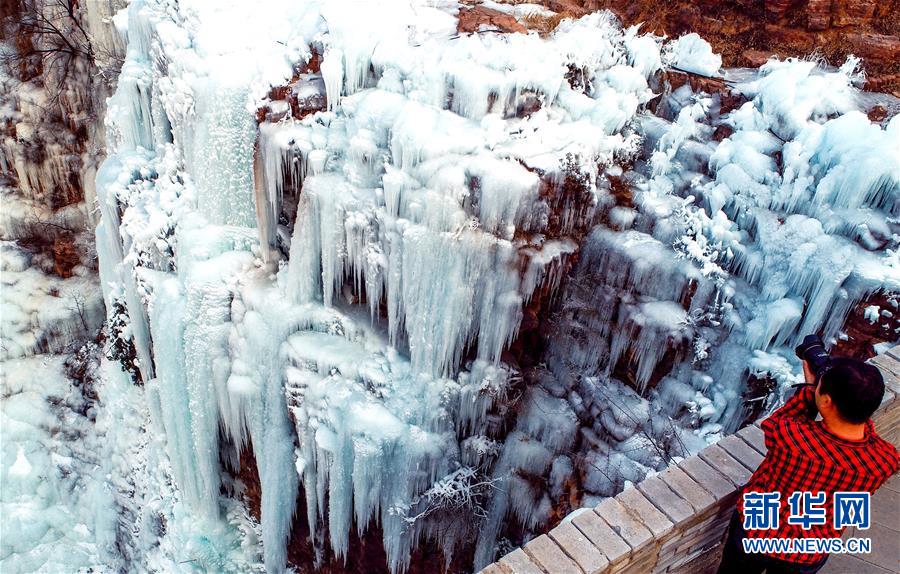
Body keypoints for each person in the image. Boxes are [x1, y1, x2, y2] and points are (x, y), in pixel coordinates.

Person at [716, 356, 899, 574]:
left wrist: (808, 390)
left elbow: (775, 423)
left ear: (826, 402)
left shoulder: (791, 437)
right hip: (808, 550)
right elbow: (865, 436)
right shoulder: (885, 460)